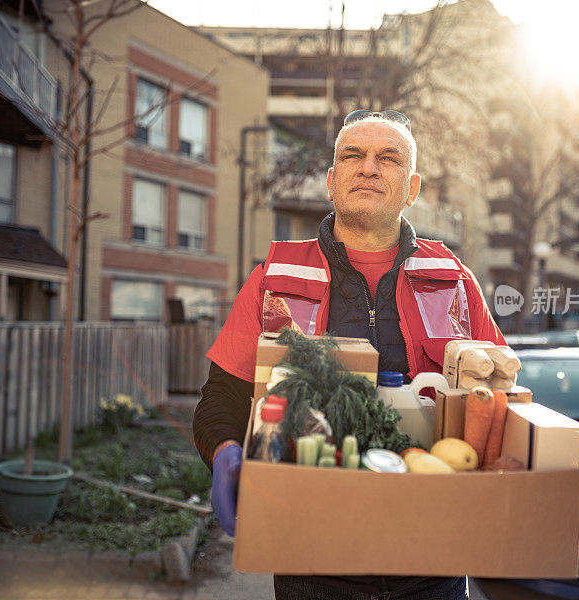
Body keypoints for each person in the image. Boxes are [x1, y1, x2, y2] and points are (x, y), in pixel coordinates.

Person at [193, 110, 506, 600]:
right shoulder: (274, 278)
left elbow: (499, 397)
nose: (368, 168)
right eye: (352, 156)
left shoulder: (455, 279)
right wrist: (226, 452)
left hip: (433, 560)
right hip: (313, 562)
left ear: (413, 187)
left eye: (389, 158)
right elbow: (221, 399)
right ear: (331, 180)